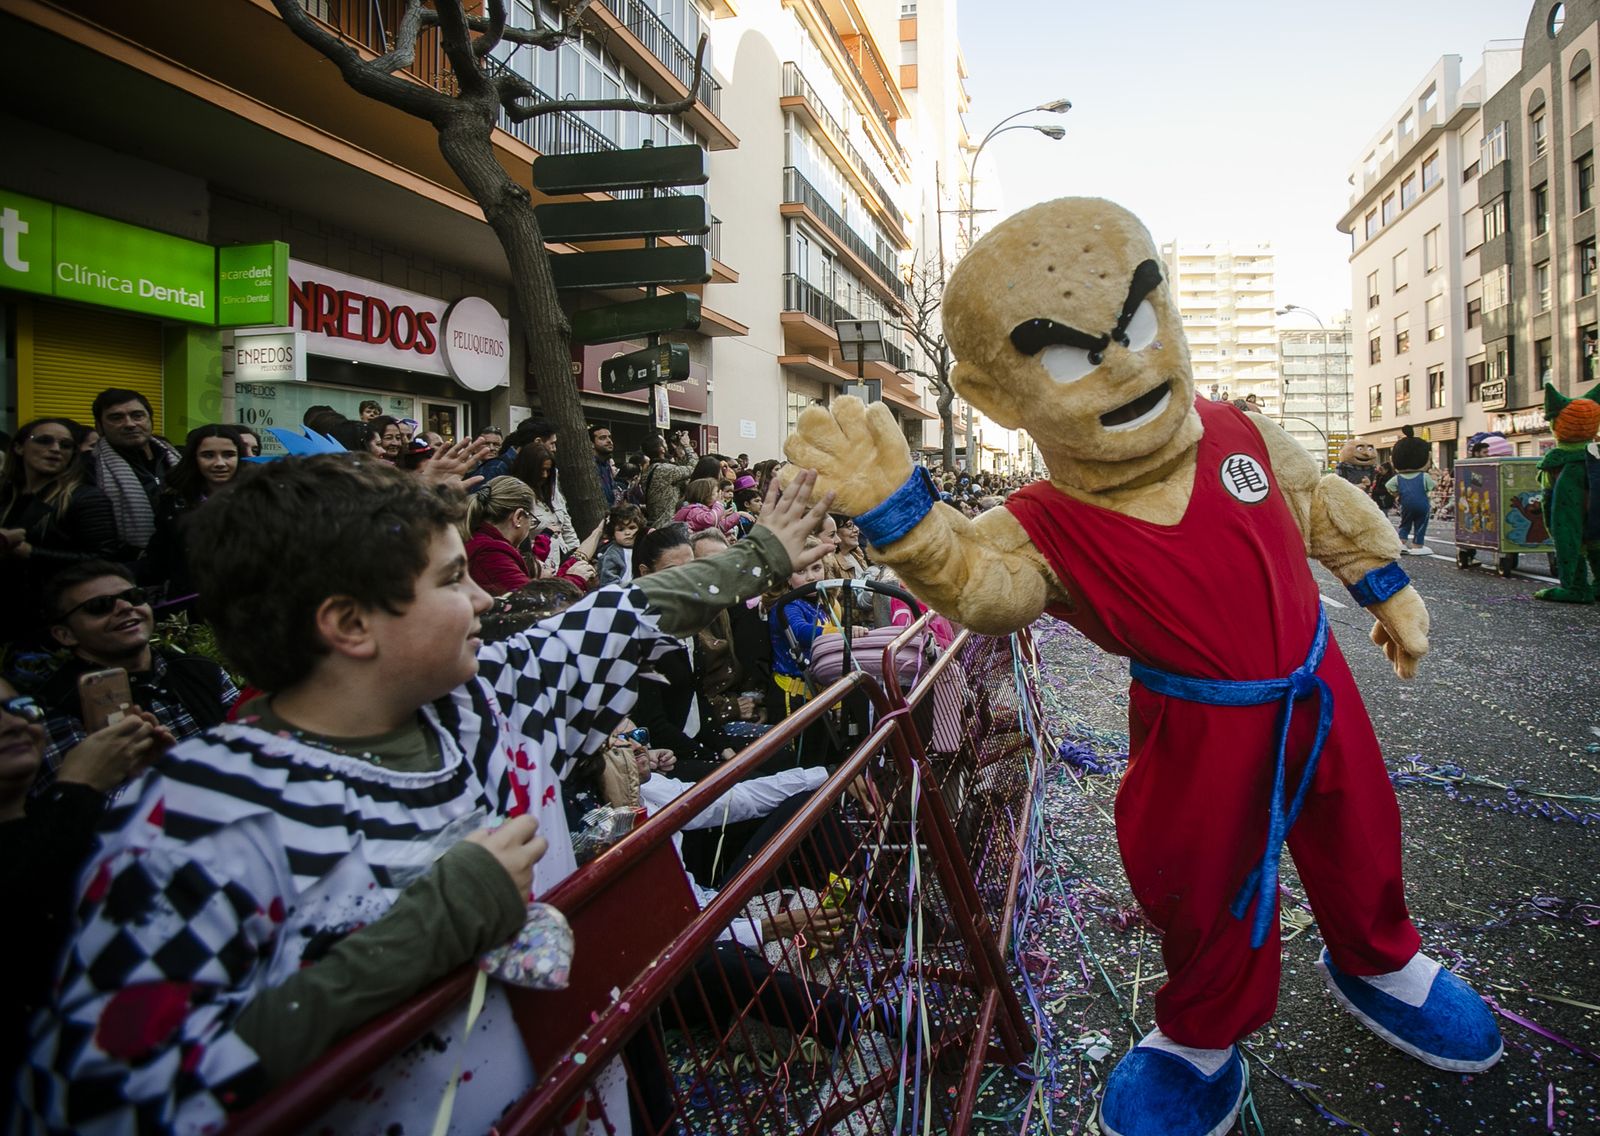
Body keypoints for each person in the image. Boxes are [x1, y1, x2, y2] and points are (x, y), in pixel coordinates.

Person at [13, 455, 834, 1134]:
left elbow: (621, 616)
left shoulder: (484, 704)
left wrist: (759, 554)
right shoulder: (196, 817)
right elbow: (108, 1104)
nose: (485, 599)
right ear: (350, 625)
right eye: (452, 580)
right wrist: (420, 935)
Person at [0, 677, 173, 1085]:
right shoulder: (63, 814)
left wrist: (159, 782)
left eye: (16, 706)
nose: (11, 724)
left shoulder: (53, 821)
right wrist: (78, 789)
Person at [35, 562, 239, 789]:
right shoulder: (58, 708)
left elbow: (257, 750)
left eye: (133, 596)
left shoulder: (199, 670)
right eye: (99, 605)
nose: (125, 607)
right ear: (65, 634)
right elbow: (76, 810)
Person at [0, 418, 121, 645]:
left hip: (54, 619)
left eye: (66, 445)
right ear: (18, 447)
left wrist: (32, 553)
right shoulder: (6, 497)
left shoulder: (84, 498)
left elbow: (105, 560)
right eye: (44, 441)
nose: (55, 449)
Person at [139, 424, 246, 602]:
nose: (220, 463)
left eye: (229, 455)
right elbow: (160, 558)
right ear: (193, 458)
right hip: (190, 602)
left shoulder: (259, 499)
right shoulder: (174, 503)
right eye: (208, 455)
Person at [88, 388, 180, 555]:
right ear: (99, 427)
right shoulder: (88, 468)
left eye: (137, 416)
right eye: (116, 418)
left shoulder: (177, 460)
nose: (130, 424)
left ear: (150, 420)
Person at [463, 476, 539, 594]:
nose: (530, 526)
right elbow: (533, 602)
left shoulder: (477, 539)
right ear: (518, 517)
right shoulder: (491, 553)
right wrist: (575, 576)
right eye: (531, 519)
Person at [640, 431, 699, 529]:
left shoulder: (651, 469)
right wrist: (687, 445)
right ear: (661, 449)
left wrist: (679, 448)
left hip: (658, 523)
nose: (667, 445)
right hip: (667, 526)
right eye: (664, 442)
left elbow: (681, 470)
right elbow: (693, 468)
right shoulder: (664, 470)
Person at [596, 502, 645, 586]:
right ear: (613, 533)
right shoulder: (613, 554)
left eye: (632, 528)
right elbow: (608, 580)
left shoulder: (644, 547)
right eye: (621, 529)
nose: (627, 532)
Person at [673, 476, 738, 534]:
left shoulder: (705, 510)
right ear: (706, 495)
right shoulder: (694, 511)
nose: (719, 495)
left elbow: (718, 528)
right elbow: (710, 520)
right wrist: (719, 504)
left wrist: (737, 516)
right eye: (716, 492)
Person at [591, 424, 617, 506]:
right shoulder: (590, 466)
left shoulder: (607, 465)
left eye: (609, 437)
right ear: (591, 443)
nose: (609, 440)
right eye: (602, 438)